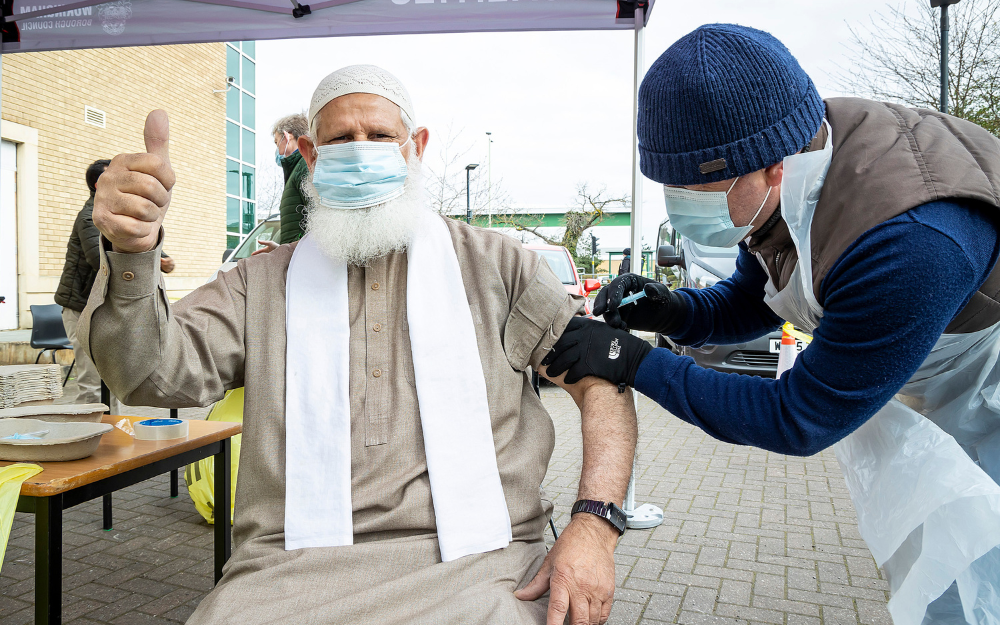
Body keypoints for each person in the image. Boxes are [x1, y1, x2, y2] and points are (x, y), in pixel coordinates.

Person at [83, 64, 637, 625]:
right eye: (341, 138)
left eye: (380, 136)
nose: (361, 150)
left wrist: (594, 524)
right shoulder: (260, 283)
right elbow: (148, 375)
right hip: (286, 570)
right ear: (309, 154)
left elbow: (602, 382)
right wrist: (133, 254)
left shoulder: (498, 267)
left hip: (481, 567)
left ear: (415, 147)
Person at [542, 24, 1000, 622]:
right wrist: (669, 309)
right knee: (948, 563)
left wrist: (636, 362)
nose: (683, 205)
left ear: (774, 167)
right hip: (933, 376)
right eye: (670, 187)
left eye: (700, 187)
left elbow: (798, 417)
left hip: (988, 385)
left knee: (981, 570)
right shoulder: (786, 187)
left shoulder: (911, 239)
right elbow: (756, 298)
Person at [53, 159, 109, 404]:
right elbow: (100, 259)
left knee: (111, 383)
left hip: (100, 308)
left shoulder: (109, 216)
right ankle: (87, 438)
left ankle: (114, 434)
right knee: (92, 386)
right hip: (80, 309)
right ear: (99, 184)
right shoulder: (89, 218)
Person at [255, 113, 310, 255]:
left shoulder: (304, 167)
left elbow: (315, 222)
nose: (277, 150)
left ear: (287, 136)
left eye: (276, 142)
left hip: (303, 262)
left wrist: (289, 251)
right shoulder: (297, 168)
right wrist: (281, 249)